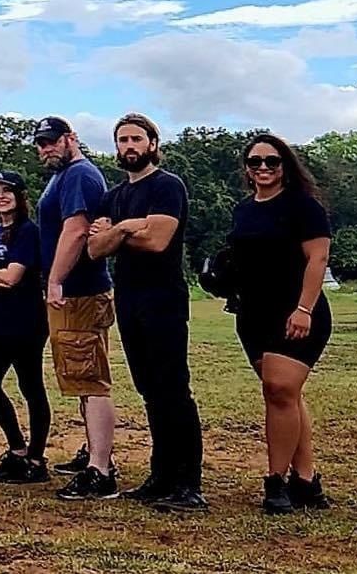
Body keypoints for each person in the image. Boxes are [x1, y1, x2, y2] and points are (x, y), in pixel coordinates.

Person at [87, 114, 207, 512]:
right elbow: (94, 248)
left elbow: (157, 240)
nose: (129, 146)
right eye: (122, 140)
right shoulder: (116, 195)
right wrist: (125, 228)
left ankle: (189, 483)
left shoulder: (167, 186)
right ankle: (161, 475)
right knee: (148, 389)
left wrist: (116, 232)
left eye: (137, 138)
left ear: (153, 144)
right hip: (129, 299)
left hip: (164, 299)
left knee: (173, 388)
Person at [226, 134, 334, 515]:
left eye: (272, 161)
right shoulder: (243, 209)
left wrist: (304, 308)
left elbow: (317, 260)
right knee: (284, 396)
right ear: (247, 168)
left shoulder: (303, 207)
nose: (264, 169)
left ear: (285, 164)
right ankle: (306, 481)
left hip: (297, 312)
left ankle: (275, 482)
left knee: (278, 389)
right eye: (256, 162)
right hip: (253, 315)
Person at [32, 116, 118, 500]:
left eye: (51, 141)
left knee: (91, 379)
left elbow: (77, 229)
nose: (46, 149)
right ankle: (95, 456)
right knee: (81, 378)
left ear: (71, 138)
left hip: (81, 291)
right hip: (76, 291)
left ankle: (101, 471)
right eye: (40, 144)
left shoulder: (80, 174)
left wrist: (55, 279)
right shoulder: (63, 176)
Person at [0, 171, 52, 485]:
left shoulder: (27, 232)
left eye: (8, 191)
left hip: (27, 320)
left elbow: (13, 277)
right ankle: (17, 449)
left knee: (31, 387)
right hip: (0, 320)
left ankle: (36, 459)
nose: (1, 196)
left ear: (20, 197)